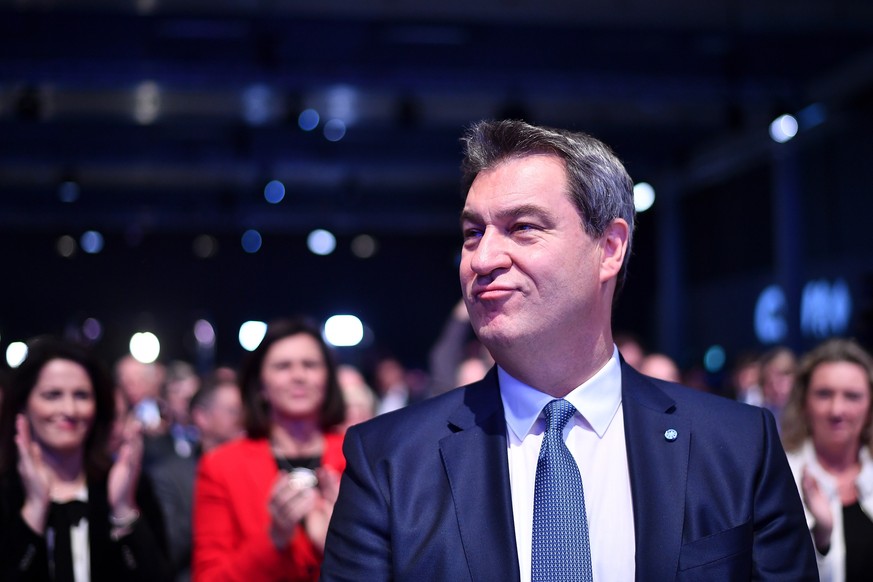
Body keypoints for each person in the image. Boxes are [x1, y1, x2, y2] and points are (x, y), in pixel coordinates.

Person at [321, 119, 817, 580]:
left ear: (609, 247)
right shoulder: (389, 461)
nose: (484, 258)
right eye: (473, 233)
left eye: (523, 228)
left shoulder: (735, 446)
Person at [0, 336, 170, 581]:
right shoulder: (7, 491)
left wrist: (122, 509)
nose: (69, 410)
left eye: (81, 395)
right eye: (52, 395)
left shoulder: (126, 485)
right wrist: (34, 510)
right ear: (24, 406)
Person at [192, 318, 345, 581]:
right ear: (260, 385)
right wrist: (274, 537)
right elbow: (209, 577)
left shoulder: (358, 455)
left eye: (310, 365)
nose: (299, 376)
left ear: (328, 378)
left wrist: (344, 540)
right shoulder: (221, 466)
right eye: (283, 366)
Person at [782, 338, 873, 582]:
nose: (837, 410)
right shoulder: (781, 474)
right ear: (803, 402)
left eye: (852, 396)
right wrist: (821, 536)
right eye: (824, 394)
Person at [150, 374, 244, 581]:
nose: (243, 418)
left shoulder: (260, 469)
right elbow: (167, 551)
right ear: (202, 417)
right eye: (233, 411)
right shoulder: (170, 475)